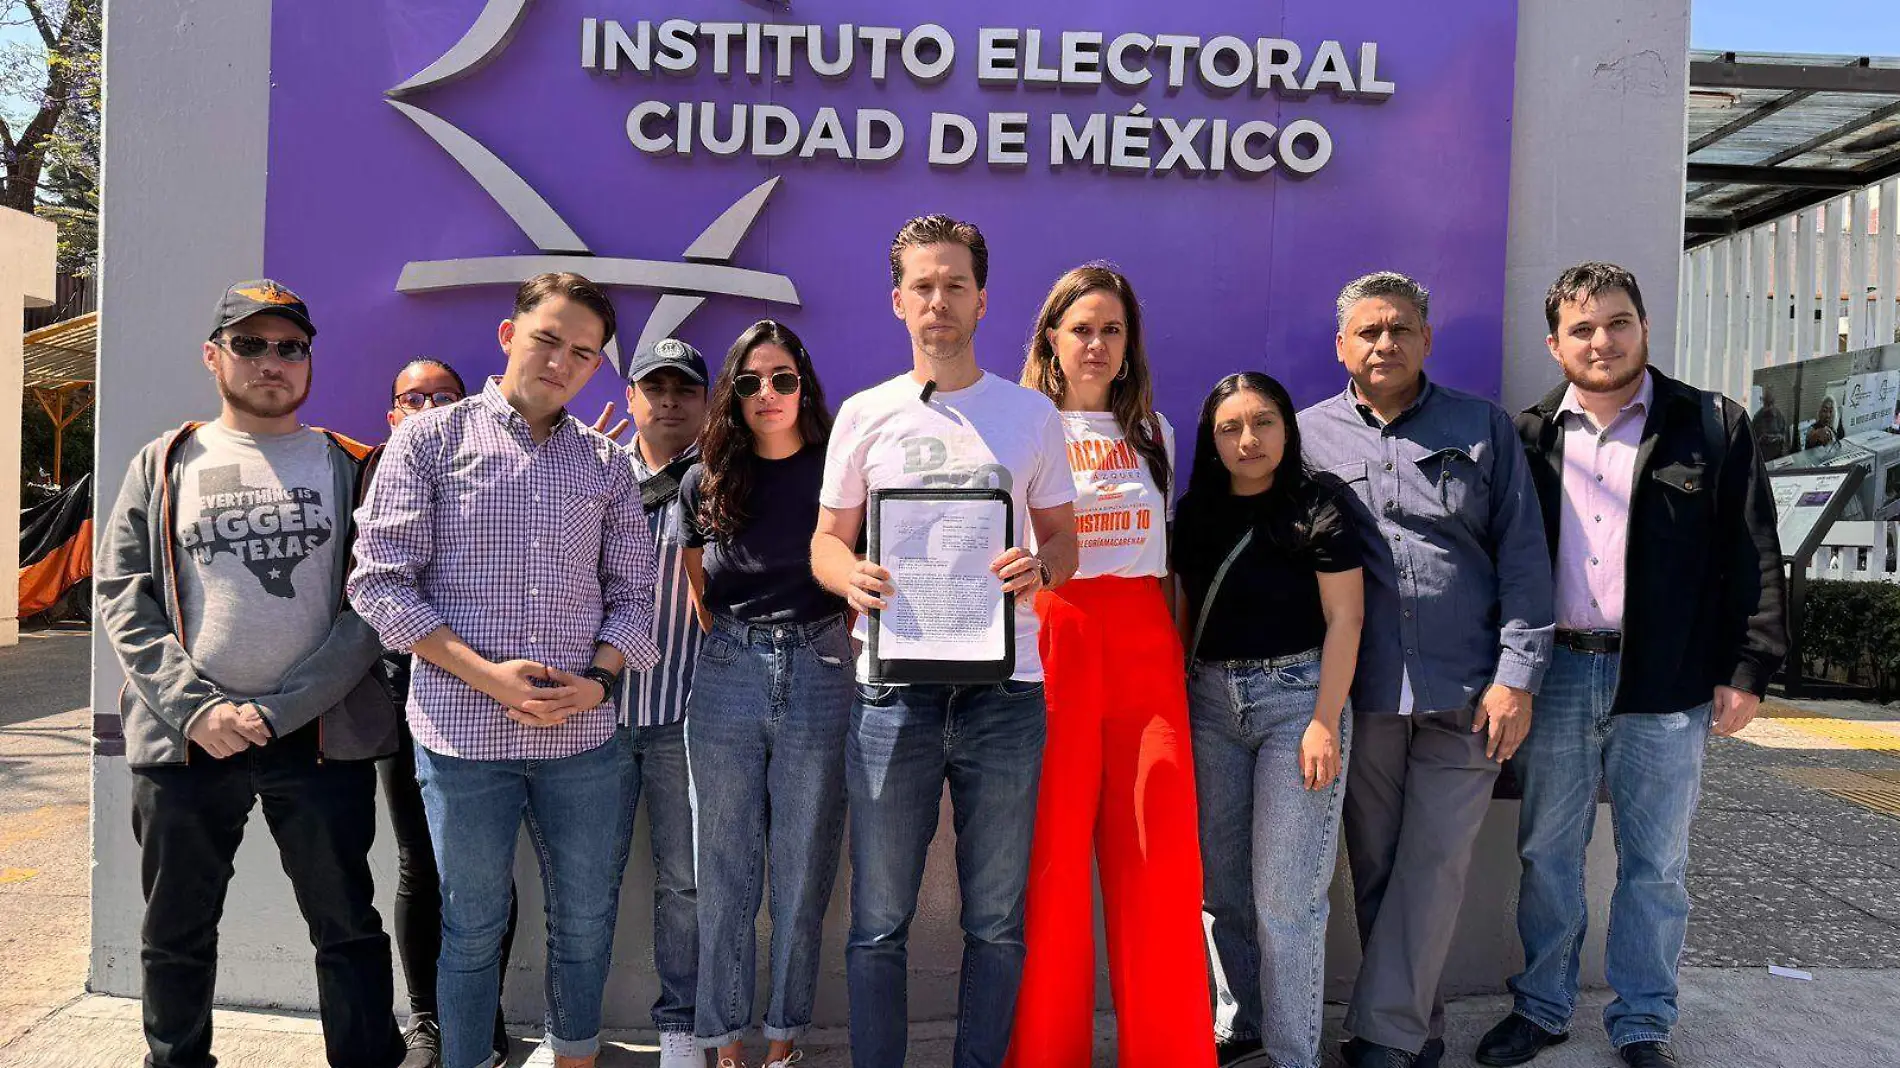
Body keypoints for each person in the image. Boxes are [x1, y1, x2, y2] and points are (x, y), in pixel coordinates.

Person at [1476, 263, 1787, 1068]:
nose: (1601, 340)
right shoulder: (1529, 435)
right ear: (1555, 344)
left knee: (1656, 863)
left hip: (1666, 678)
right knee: (1548, 853)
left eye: (1617, 323)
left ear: (1644, 327)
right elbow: (1503, 563)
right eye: (1581, 329)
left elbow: (1752, 551)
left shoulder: (1711, 424)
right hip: (1560, 676)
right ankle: (1542, 1006)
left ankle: (1643, 1020)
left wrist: (1749, 667)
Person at [349, 272, 659, 1068]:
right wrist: (490, 677)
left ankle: (574, 1055)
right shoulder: (429, 441)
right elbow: (379, 582)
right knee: (472, 922)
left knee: (586, 920)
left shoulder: (608, 466)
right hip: (460, 739)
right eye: (548, 338)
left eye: (582, 353)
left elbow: (634, 593)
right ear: (507, 335)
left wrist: (600, 680)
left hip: (584, 741)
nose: (561, 361)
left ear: (596, 369)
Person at [96, 280, 405, 1068]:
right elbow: (124, 594)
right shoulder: (164, 462)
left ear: (308, 362)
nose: (272, 361)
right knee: (176, 934)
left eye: (289, 347)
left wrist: (283, 710)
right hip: (186, 740)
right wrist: (197, 709)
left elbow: (372, 605)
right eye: (251, 345)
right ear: (214, 356)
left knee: (347, 930)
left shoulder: (350, 466)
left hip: (319, 738)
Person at [812, 214, 1079, 1068]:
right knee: (878, 919)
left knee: (997, 920)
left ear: (982, 299)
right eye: (922, 286)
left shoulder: (1032, 415)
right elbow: (825, 541)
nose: (939, 300)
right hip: (893, 693)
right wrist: (847, 575)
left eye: (954, 284)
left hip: (1007, 693)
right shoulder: (863, 415)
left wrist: (1042, 570)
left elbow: (1065, 541)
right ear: (898, 302)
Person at [1298, 271, 1554, 1068]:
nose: (1385, 343)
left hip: (1469, 692)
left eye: (1401, 329)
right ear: (1341, 345)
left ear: (1427, 340)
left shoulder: (1482, 428)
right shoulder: (1306, 438)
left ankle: (1383, 1037)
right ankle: (1419, 1028)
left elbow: (1524, 557)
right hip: (1363, 692)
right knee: (1376, 865)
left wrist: (1519, 674)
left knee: (1435, 862)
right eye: (1369, 331)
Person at [1004, 265, 1215, 1068]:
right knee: (1053, 863)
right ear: (1051, 339)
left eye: (1112, 330)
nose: (1096, 343)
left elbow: (1167, 567)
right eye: (1081, 327)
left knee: (1158, 860)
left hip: (1143, 649)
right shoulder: (1023, 427)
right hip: (1053, 639)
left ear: (1129, 348)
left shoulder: (1157, 433)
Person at [1177, 372, 1364, 1068]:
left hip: (1297, 703)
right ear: (1212, 438)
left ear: (1287, 429)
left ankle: (1293, 1055)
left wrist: (1324, 720)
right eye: (1231, 427)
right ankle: (1240, 1024)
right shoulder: (1195, 513)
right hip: (1208, 708)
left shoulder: (1319, 505)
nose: (1248, 440)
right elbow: (1183, 614)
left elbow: (1347, 618)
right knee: (1220, 890)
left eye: (1263, 423)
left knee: (1286, 903)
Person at [682, 321, 849, 1068]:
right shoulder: (705, 477)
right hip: (727, 673)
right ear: (734, 395)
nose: (768, 394)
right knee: (722, 872)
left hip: (819, 668)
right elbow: (697, 588)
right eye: (750, 383)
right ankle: (724, 1046)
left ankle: (783, 1043)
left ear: (803, 384)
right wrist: (736, 645)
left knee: (802, 871)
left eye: (782, 378)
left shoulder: (840, 473)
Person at [367, 359, 521, 1068]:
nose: (427, 407)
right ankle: (427, 1021)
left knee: (485, 865)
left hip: (482, 687)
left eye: (442, 396)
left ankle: (480, 1013)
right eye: (412, 397)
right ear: (393, 410)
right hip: (401, 689)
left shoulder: (492, 471)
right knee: (418, 864)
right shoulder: (368, 475)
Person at [615, 337, 713, 1068]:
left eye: (684, 389)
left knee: (686, 884)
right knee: (582, 885)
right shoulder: (591, 472)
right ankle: (572, 1030)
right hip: (593, 718)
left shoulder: (723, 485)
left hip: (688, 715)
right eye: (656, 387)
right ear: (630, 398)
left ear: (707, 403)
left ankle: (680, 1026)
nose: (669, 400)